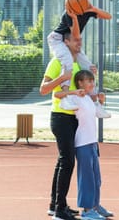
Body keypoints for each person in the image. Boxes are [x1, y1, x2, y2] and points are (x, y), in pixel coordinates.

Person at [47, 0, 112, 117]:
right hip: (59, 39)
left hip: (72, 40)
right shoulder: (69, 12)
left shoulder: (87, 10)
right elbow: (76, 34)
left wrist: (93, 9)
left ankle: (96, 104)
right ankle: (65, 99)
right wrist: (75, 18)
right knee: (68, 62)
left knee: (89, 67)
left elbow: (108, 16)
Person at [58, 69, 114, 220]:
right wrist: (69, 91)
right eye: (88, 81)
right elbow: (62, 103)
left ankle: (95, 205)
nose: (92, 83)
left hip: (92, 143)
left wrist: (98, 101)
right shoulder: (77, 98)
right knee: (86, 178)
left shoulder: (89, 99)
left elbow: (103, 114)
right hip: (82, 143)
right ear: (80, 83)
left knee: (96, 178)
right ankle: (87, 210)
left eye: (92, 81)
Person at [40, 32, 83, 220]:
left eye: (80, 39)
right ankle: (59, 210)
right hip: (60, 117)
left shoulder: (77, 63)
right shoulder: (57, 61)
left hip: (73, 118)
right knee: (67, 161)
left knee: (63, 161)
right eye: (75, 40)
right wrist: (62, 77)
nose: (79, 42)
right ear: (65, 42)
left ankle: (56, 204)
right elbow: (43, 89)